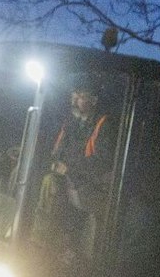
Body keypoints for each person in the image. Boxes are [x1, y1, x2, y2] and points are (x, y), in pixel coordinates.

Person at [36, 83, 115, 257]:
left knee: (50, 184)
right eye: (73, 95)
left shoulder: (103, 124)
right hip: (68, 177)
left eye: (80, 95)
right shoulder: (70, 122)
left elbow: (101, 161)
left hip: (90, 183)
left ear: (93, 100)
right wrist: (54, 163)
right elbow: (56, 151)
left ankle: (49, 245)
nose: (74, 99)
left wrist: (70, 168)